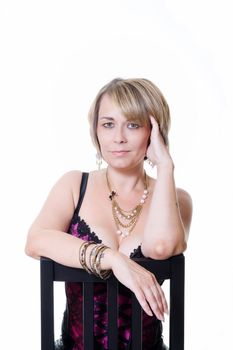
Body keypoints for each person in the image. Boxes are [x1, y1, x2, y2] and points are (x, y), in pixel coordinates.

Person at [25, 78, 192, 350]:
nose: (119, 138)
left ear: (154, 131)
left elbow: (161, 248)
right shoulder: (73, 185)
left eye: (133, 125)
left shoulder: (177, 199)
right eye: (108, 124)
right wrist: (113, 259)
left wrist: (165, 167)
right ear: (96, 131)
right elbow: (36, 241)